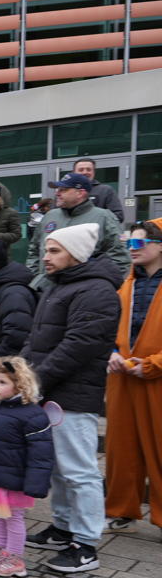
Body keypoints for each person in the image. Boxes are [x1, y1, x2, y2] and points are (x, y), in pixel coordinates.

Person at [22, 223, 122, 573]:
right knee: (59, 470)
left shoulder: (95, 291)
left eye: (54, 251)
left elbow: (78, 345)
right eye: (47, 250)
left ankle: (86, 543)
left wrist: (35, 379)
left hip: (74, 396)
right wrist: (20, 370)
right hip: (51, 391)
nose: (45, 257)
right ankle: (63, 527)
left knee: (79, 471)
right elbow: (38, 340)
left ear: (76, 254)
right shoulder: (60, 286)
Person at [0, 357, 54, 578]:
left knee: (14, 518)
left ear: (20, 385)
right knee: (1, 516)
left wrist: (35, 483)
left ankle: (15, 559)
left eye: (2, 382)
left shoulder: (32, 415)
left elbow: (41, 454)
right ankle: (0, 551)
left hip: (17, 477)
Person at [105, 219, 162, 535]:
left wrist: (153, 364)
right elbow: (108, 330)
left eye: (138, 244)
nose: (132, 250)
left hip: (158, 380)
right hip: (123, 378)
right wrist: (112, 352)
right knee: (120, 450)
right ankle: (120, 509)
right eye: (129, 244)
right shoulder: (124, 286)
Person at [27, 172, 129, 291]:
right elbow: (34, 249)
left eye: (63, 189)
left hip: (82, 294)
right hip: (44, 291)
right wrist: (35, 277)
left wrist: (99, 287)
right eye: (57, 189)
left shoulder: (103, 217)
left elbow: (120, 258)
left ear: (80, 193)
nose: (57, 193)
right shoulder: (50, 216)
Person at [72, 158, 125, 223]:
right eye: (81, 170)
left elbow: (118, 216)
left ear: (93, 172)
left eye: (89, 169)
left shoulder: (105, 190)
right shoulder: (65, 192)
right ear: (74, 173)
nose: (85, 172)